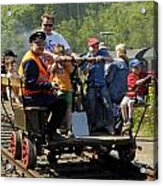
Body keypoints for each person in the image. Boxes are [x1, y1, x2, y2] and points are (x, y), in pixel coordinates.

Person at [18, 31, 67, 141]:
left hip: (35, 95)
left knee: (58, 100)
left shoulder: (35, 57)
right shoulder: (30, 60)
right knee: (61, 103)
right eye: (38, 44)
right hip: (31, 97)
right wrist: (49, 85)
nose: (41, 47)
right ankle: (51, 132)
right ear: (31, 45)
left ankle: (47, 129)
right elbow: (30, 84)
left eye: (43, 44)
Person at [82, 37, 115, 135]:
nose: (95, 47)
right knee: (91, 105)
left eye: (96, 45)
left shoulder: (102, 53)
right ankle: (91, 126)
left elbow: (111, 59)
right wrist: (89, 63)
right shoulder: (86, 57)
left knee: (107, 104)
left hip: (101, 84)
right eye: (93, 46)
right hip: (91, 84)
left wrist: (102, 58)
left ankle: (110, 125)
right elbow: (84, 72)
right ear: (89, 47)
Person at [120, 58, 152, 132]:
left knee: (130, 103)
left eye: (139, 67)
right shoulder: (130, 76)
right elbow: (137, 83)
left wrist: (150, 75)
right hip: (130, 95)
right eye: (136, 67)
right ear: (131, 69)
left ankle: (131, 121)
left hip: (139, 96)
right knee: (123, 104)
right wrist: (145, 78)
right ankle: (126, 121)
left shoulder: (143, 74)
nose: (138, 69)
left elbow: (152, 74)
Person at [49, 44, 74, 137]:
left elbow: (71, 71)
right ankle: (57, 127)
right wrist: (56, 62)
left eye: (61, 54)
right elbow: (51, 71)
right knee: (58, 110)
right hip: (58, 88)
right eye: (58, 54)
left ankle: (69, 128)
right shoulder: (54, 64)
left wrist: (65, 63)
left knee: (68, 109)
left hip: (67, 88)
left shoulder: (67, 63)